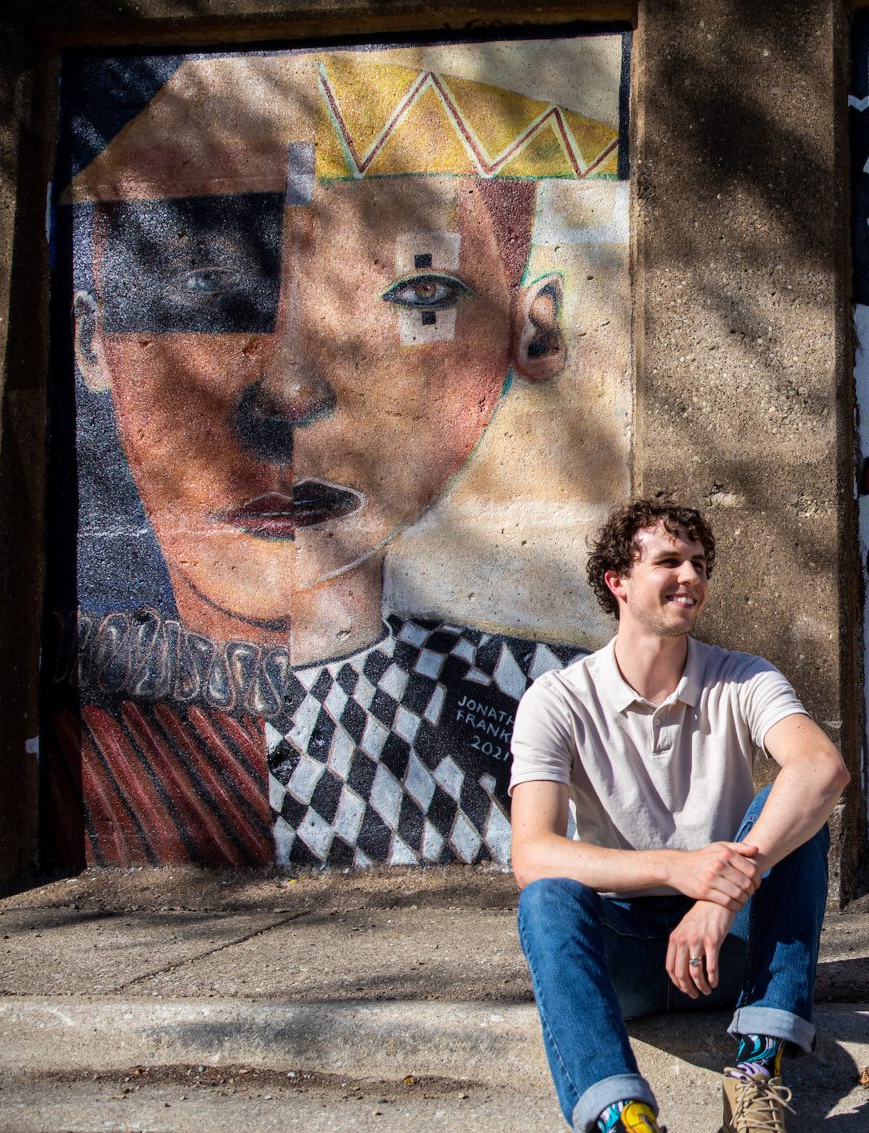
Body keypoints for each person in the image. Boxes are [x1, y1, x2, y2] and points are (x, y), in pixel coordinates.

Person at [50, 46, 625, 867]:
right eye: (206, 288)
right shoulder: (59, 724)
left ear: (530, 333)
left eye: (418, 295)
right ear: (90, 338)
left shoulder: (559, 704)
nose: (287, 391)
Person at [509, 499, 849, 1133]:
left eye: (698, 562)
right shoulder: (558, 701)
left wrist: (720, 894)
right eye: (668, 561)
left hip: (727, 952)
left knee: (793, 810)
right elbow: (532, 852)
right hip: (631, 957)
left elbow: (822, 768)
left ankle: (756, 1085)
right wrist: (675, 868)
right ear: (617, 582)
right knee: (547, 896)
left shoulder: (743, 678)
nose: (690, 576)